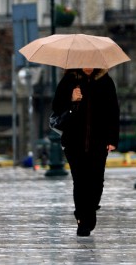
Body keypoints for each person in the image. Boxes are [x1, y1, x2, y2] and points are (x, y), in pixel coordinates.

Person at [51, 68, 120, 237]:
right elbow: (56, 107)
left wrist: (112, 139)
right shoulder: (68, 81)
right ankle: (82, 219)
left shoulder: (105, 81)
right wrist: (72, 99)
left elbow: (113, 110)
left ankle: (90, 208)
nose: (88, 65)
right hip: (74, 141)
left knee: (96, 182)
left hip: (99, 141)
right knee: (80, 181)